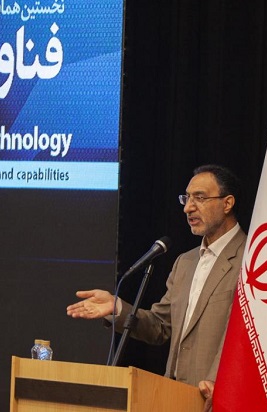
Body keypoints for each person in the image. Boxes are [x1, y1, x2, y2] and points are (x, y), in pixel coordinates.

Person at [67, 164, 245, 410]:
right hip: (174, 398)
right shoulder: (185, 262)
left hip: (223, 398)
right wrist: (117, 308)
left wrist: (221, 381)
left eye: (200, 198)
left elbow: (247, 335)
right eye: (186, 198)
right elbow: (161, 326)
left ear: (227, 203)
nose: (188, 207)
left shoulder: (251, 259)